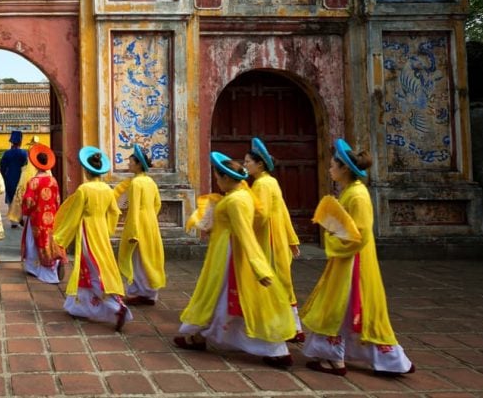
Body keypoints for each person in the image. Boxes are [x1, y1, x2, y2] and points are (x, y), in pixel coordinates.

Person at [300, 139, 415, 377]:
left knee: (345, 305)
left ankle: (345, 358)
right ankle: (337, 357)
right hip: (348, 258)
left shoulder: (358, 196)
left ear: (344, 169)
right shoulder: (351, 192)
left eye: (333, 165)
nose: (330, 169)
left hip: (354, 261)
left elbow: (359, 235)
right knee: (342, 305)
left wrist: (333, 239)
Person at [175, 152, 295, 368]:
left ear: (228, 178)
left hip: (231, 255)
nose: (217, 182)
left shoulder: (236, 200)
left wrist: (259, 267)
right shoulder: (242, 195)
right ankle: (199, 335)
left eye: (218, 178)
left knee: (222, 296)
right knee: (220, 296)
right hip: (225, 251)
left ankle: (273, 348)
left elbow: (244, 233)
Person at [53, 146, 130, 332]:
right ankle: (77, 306)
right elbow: (114, 212)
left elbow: (73, 216)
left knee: (93, 270)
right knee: (88, 270)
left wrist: (60, 237)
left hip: (87, 232)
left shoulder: (84, 190)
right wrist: (108, 229)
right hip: (101, 231)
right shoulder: (107, 189)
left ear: (86, 170)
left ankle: (117, 307)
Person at [244, 137, 303, 341]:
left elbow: (261, 215)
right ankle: (294, 325)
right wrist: (291, 239)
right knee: (283, 281)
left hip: (268, 239)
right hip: (277, 237)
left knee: (271, 280)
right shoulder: (271, 182)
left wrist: (245, 231)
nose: (245, 165)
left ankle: (285, 326)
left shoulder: (261, 184)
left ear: (259, 164)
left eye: (248, 162)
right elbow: (284, 212)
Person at [112, 144, 166, 305]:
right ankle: (150, 292)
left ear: (137, 164)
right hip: (150, 222)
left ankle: (138, 292)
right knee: (149, 257)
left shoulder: (135, 183)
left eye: (130, 162)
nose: (128, 164)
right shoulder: (150, 182)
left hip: (138, 222)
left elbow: (134, 207)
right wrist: (150, 217)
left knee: (137, 259)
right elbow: (157, 204)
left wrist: (134, 231)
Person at [19, 142, 66, 283]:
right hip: (52, 216)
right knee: (50, 241)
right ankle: (53, 265)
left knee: (33, 243)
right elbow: (57, 199)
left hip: (37, 218)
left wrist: (24, 213)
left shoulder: (33, 182)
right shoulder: (53, 180)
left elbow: (28, 202)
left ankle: (36, 269)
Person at [0, 130, 28, 227]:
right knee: (21, 198)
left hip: (9, 178)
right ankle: (20, 217)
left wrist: (4, 177)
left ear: (11, 142)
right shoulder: (24, 153)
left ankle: (13, 221)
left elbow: (2, 168)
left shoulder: (7, 153)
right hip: (21, 178)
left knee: (11, 198)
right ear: (20, 142)